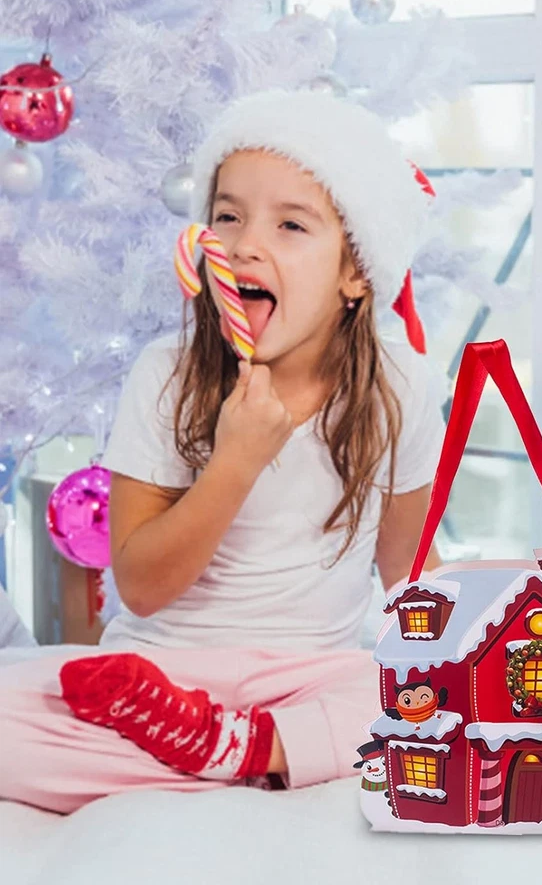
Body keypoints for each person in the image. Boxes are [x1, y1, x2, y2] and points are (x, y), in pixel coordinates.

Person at [0, 89, 445, 813]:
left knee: (413, 701)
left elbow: (408, 570)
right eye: (228, 216)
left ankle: (236, 747)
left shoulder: (402, 386)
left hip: (312, 675)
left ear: (355, 273)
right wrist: (234, 464)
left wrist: (496, 609)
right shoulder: (166, 372)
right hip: (158, 674)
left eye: (292, 224)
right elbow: (141, 586)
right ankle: (260, 753)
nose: (243, 245)